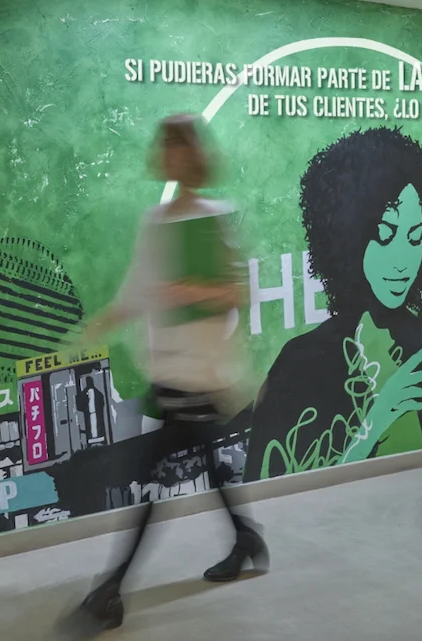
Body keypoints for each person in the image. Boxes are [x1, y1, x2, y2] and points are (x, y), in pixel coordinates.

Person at [63, 114, 268, 635]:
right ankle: (246, 538)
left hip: (200, 374)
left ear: (192, 153)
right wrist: (99, 325)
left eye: (177, 144)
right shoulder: (154, 221)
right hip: (169, 372)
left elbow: (236, 292)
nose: (168, 153)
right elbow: (138, 292)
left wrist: (187, 292)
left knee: (150, 475)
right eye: (165, 145)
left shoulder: (215, 217)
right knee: (205, 466)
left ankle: (111, 591)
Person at [243, 126, 422, 483]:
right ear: (345, 237)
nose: (402, 260)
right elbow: (271, 495)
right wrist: (375, 424)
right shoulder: (300, 366)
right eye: (384, 235)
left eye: (414, 238)